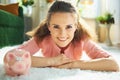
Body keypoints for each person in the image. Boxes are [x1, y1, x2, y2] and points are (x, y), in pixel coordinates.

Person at [5, 1, 119, 76]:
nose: (62, 34)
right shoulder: (42, 38)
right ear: (49, 26)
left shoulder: (82, 39)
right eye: (56, 27)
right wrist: (52, 61)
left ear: (76, 27)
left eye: (69, 27)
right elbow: (10, 56)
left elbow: (114, 64)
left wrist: (74, 64)